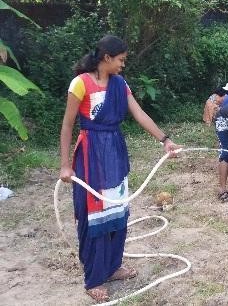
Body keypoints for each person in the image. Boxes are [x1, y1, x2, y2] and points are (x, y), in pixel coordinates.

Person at [58, 35, 180, 302]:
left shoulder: (120, 84)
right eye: (121, 60)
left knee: (117, 211)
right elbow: (67, 125)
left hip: (114, 151)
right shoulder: (80, 84)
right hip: (91, 155)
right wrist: (65, 165)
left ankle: (112, 267)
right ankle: (94, 277)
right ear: (106, 58)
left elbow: (139, 114)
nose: (123, 64)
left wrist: (165, 140)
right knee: (95, 216)